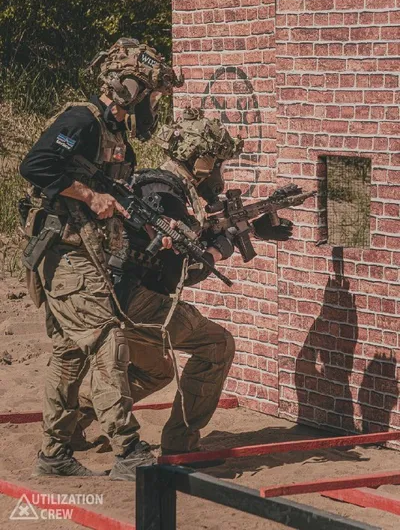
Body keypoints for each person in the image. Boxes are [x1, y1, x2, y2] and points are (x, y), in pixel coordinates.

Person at [73, 108, 293, 464]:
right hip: (136, 299)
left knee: (156, 371)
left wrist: (249, 228)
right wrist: (223, 247)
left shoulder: (156, 185)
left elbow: (197, 232)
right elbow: (187, 269)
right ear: (201, 161)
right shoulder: (167, 196)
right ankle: (181, 444)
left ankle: (72, 422)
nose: (219, 174)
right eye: (218, 164)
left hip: (117, 295)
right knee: (217, 345)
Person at [19, 37, 182, 480]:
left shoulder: (116, 131)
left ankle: (54, 452)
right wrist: (89, 196)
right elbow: (35, 165)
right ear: (130, 88)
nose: (153, 104)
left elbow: (117, 193)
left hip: (88, 254)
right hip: (64, 254)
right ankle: (128, 450)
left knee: (70, 354)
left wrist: (151, 225)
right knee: (108, 341)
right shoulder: (81, 120)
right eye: (151, 93)